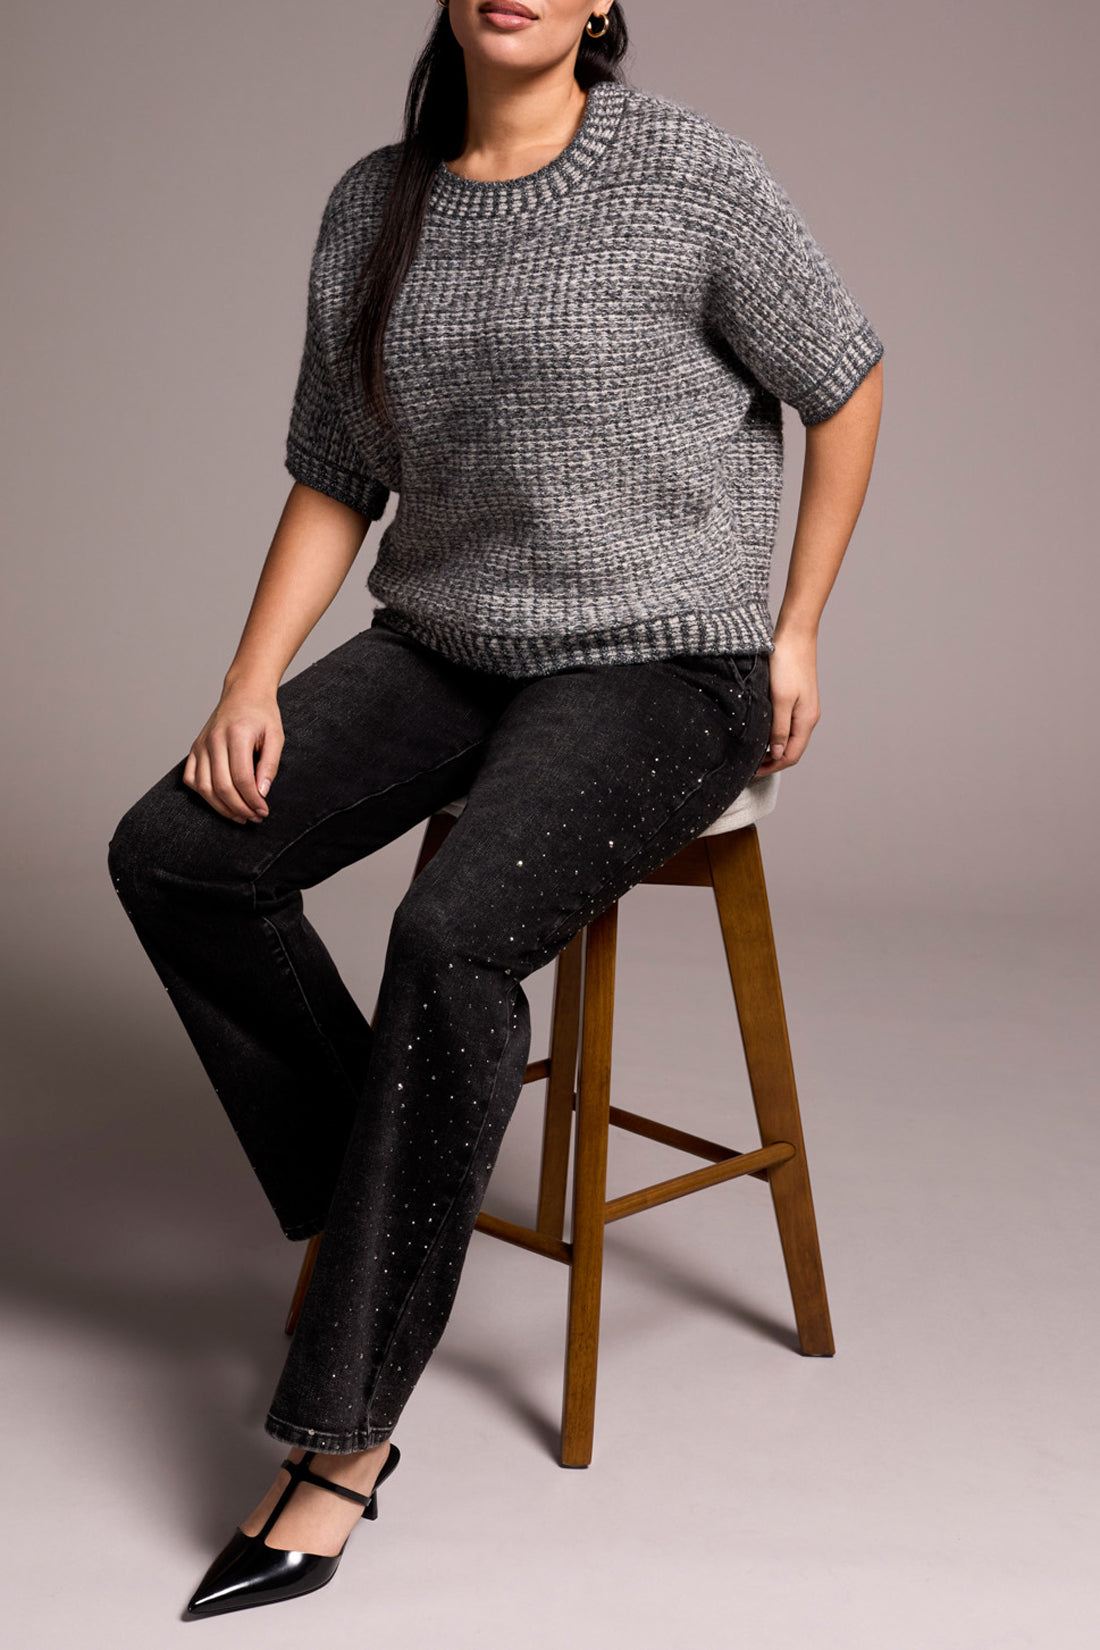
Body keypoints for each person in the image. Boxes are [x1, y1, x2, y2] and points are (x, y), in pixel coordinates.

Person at [107, 0, 884, 1620]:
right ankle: (385, 1192)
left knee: (449, 934)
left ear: (604, 3)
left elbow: (846, 376)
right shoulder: (373, 204)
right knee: (177, 851)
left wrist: (798, 625)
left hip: (665, 662)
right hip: (449, 644)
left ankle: (338, 1440)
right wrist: (248, 678)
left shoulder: (686, 171)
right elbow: (339, 472)